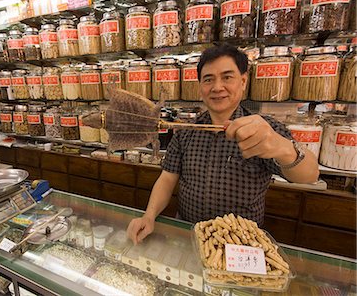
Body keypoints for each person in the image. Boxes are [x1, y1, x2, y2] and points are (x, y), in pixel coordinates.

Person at [127, 44, 319, 245]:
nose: (217, 87)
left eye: (227, 77)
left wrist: (283, 148)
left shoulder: (263, 129)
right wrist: (149, 216)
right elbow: (167, 179)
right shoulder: (186, 130)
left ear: (243, 81)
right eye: (208, 79)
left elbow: (310, 175)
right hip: (188, 235)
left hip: (240, 243)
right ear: (200, 86)